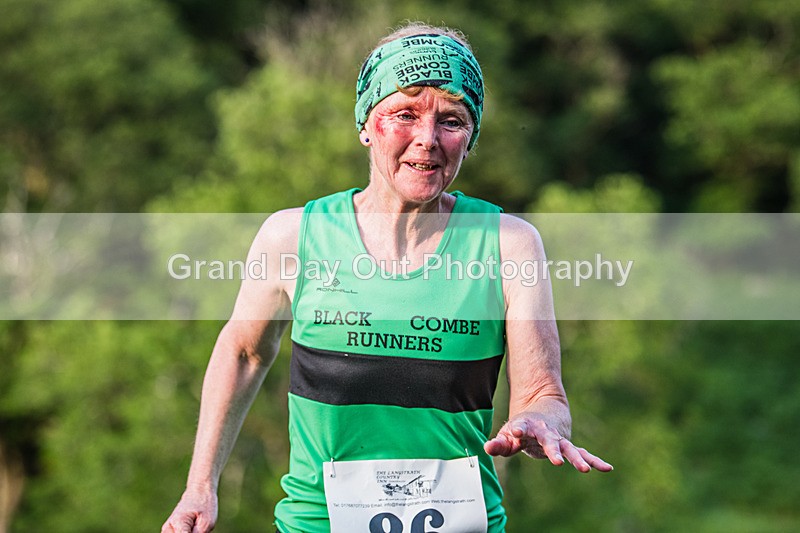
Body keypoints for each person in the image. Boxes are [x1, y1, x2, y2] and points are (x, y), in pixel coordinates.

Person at [162, 22, 612, 533]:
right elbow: (244, 353)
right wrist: (200, 484)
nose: (427, 139)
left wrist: (540, 422)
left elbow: (542, 395)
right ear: (366, 124)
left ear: (471, 137)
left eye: (452, 121)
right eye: (404, 114)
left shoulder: (509, 243)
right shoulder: (293, 237)